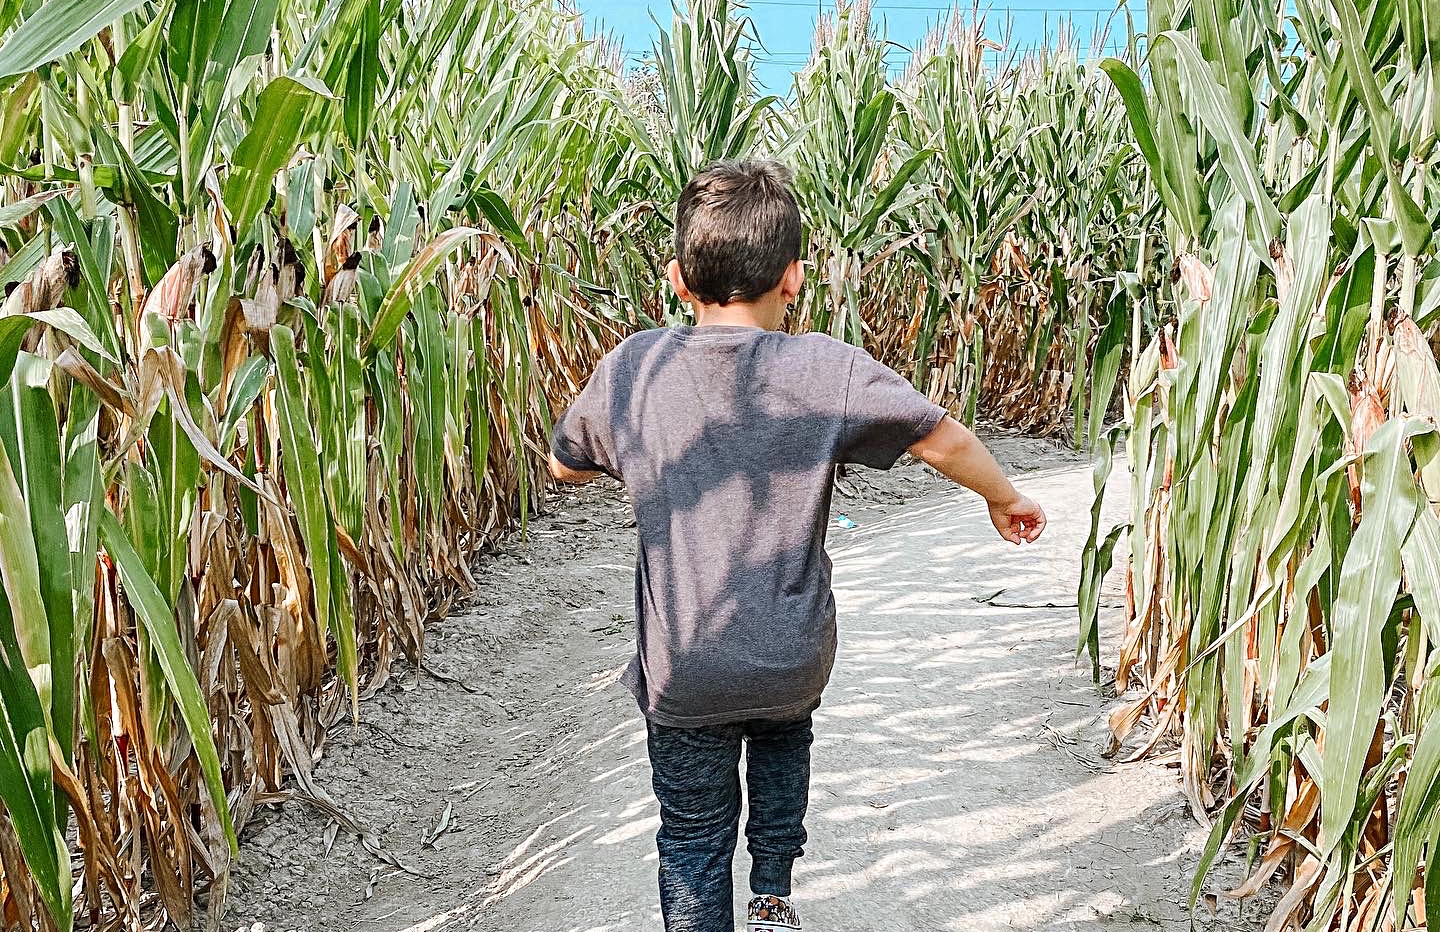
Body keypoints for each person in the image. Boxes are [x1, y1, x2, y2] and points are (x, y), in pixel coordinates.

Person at [548, 159, 1046, 932]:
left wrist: (635, 457)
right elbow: (943, 439)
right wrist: (1005, 497)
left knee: (690, 837)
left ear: (679, 280)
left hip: (684, 669)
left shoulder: (633, 370)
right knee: (785, 733)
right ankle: (774, 895)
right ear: (794, 278)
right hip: (790, 653)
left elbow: (563, 462)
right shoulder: (827, 367)